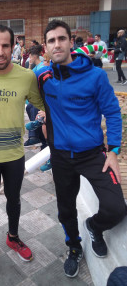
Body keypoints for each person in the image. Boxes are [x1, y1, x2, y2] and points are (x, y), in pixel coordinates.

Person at [35, 19, 126, 279]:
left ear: (70, 41)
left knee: (116, 208)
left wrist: (113, 150)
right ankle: (74, 247)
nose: (57, 44)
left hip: (93, 155)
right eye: (51, 40)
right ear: (46, 47)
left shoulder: (95, 76)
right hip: (61, 158)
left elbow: (112, 112)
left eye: (61, 38)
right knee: (65, 209)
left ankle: (94, 227)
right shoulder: (43, 75)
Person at [0, 24, 44, 276]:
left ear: (13, 46)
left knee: (14, 199)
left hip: (15, 154)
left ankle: (13, 237)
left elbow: (44, 102)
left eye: (5, 45)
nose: (0, 51)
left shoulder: (27, 76)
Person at [24, 45, 47, 148]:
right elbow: (28, 75)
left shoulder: (41, 67)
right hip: (37, 96)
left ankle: (34, 136)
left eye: (30, 57)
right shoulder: (36, 67)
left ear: (33, 56)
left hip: (42, 97)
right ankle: (35, 135)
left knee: (33, 107)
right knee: (29, 107)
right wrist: (30, 65)